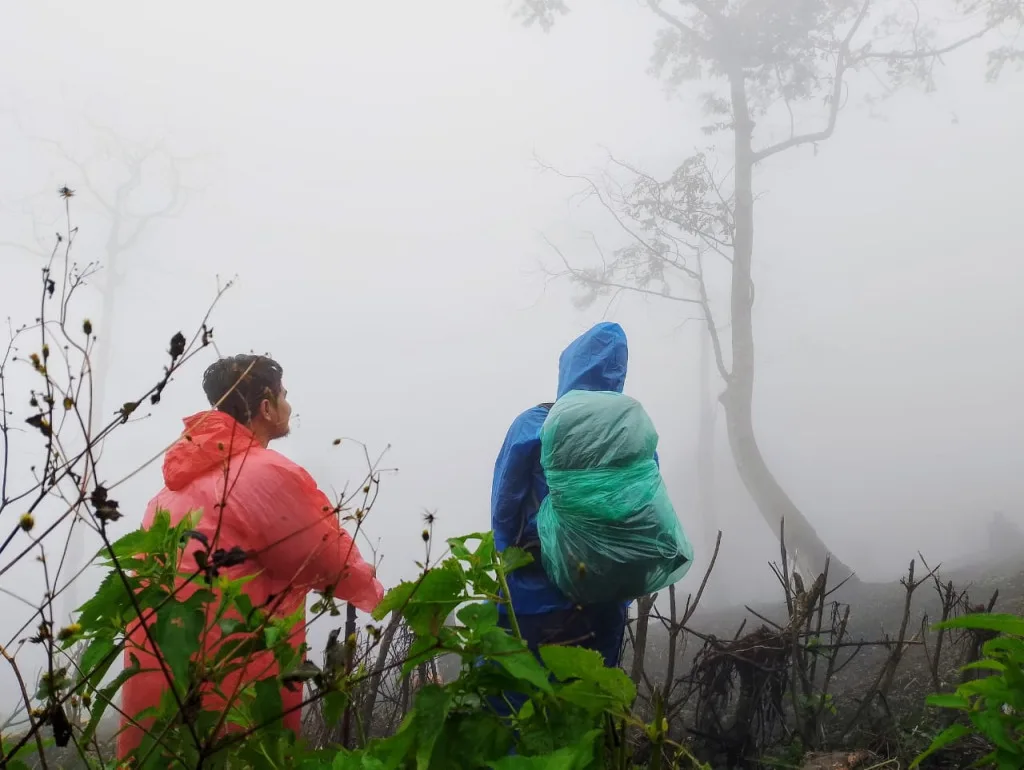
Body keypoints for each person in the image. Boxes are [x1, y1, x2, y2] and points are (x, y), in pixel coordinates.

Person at [117, 354, 383, 759]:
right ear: (265, 406)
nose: (289, 405)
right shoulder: (263, 474)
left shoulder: (168, 493)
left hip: (158, 691)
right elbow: (331, 561)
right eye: (284, 395)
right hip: (232, 686)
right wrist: (386, 597)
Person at [490, 322, 633, 683]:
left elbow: (504, 509)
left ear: (570, 368)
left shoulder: (534, 424)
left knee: (519, 698)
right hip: (605, 596)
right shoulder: (632, 434)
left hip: (533, 593)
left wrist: (512, 564)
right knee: (588, 699)